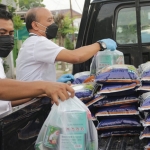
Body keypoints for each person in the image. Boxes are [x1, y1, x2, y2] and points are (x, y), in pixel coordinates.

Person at [16, 7, 117, 83]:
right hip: (33, 104)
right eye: (49, 20)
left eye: (53, 20)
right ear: (35, 25)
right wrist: (101, 44)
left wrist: (55, 83)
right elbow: (75, 57)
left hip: (35, 98)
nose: (53, 24)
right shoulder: (37, 42)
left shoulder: (32, 42)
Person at [0, 8, 74, 107]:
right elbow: (2, 89)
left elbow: (6, 101)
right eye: (2, 33)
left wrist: (41, 92)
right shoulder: (37, 42)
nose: (8, 38)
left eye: (11, 33)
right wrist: (100, 45)